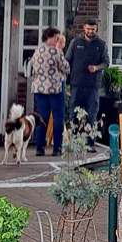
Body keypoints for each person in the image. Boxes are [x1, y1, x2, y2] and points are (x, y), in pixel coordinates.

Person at [63, 18, 108, 144]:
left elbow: (106, 63)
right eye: (88, 29)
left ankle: (90, 143)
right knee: (73, 114)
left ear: (96, 29)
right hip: (76, 84)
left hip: (93, 85)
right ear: (84, 28)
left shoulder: (101, 44)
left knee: (92, 115)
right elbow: (67, 60)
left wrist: (96, 68)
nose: (90, 31)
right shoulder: (75, 42)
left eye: (92, 29)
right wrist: (66, 78)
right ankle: (73, 141)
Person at [27, 26, 69, 158]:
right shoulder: (56, 52)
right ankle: (57, 148)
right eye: (56, 38)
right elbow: (66, 68)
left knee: (42, 117)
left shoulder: (37, 50)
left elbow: (33, 66)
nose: (58, 41)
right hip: (55, 87)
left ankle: (39, 147)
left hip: (39, 87)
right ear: (49, 38)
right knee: (58, 117)